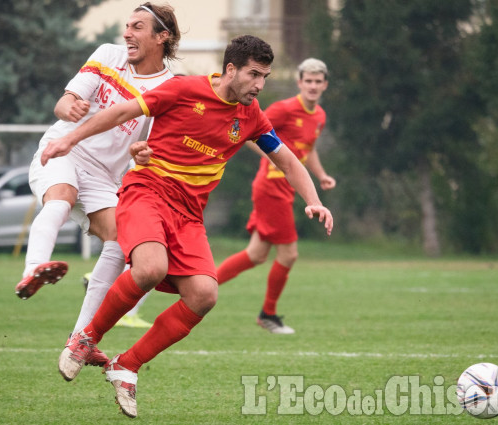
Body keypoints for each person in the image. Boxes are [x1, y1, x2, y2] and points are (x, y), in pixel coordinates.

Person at [41, 35, 334, 418]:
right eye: (254, 75)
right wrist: (70, 139)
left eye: (264, 76)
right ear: (231, 69)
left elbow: (290, 161)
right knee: (149, 268)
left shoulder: (251, 116)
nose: (259, 85)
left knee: (203, 295)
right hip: (147, 192)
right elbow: (120, 113)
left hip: (189, 213)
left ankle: (126, 365)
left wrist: (314, 200)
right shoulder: (182, 88)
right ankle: (85, 339)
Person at [14, 3, 180, 363]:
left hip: (104, 177)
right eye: (126, 26)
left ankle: (81, 341)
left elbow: (153, 145)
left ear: (162, 37)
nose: (127, 33)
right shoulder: (108, 55)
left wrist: (144, 153)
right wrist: (68, 107)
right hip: (62, 152)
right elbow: (66, 101)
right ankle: (32, 270)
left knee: (122, 243)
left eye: (137, 27)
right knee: (60, 198)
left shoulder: (170, 87)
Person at [216, 58, 336, 334]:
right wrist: (274, 160)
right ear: (300, 83)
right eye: (309, 81)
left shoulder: (319, 115)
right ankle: (268, 314)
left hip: (286, 188)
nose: (313, 86)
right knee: (289, 254)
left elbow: (309, 149)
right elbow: (248, 133)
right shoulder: (284, 109)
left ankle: (201, 284)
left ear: (324, 85)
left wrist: (321, 175)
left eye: (318, 81)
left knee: (256, 254)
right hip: (272, 188)